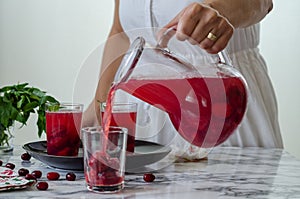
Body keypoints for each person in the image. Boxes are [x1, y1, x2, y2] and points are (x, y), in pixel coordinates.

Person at [83, 0, 283, 160]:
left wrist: (216, 10)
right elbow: (121, 32)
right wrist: (99, 106)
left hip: (219, 100)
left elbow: (261, 2)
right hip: (147, 108)